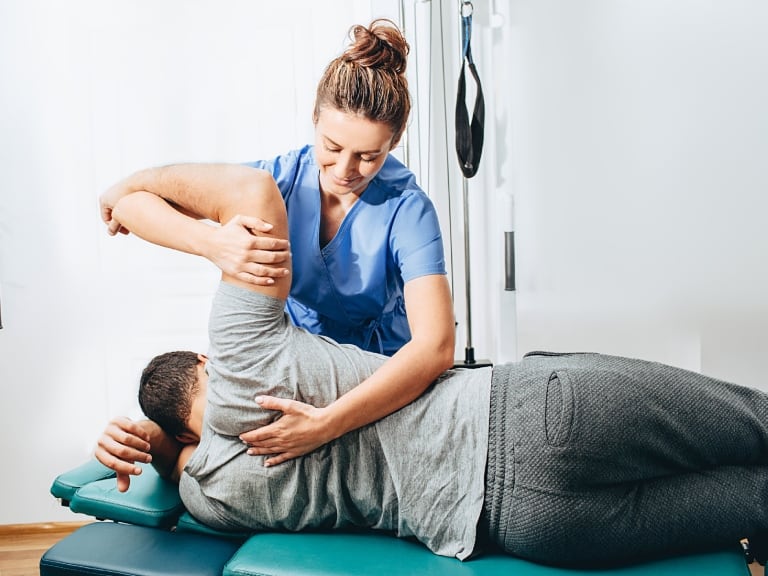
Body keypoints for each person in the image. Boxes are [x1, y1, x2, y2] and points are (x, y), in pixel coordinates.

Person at [97, 174, 768, 569]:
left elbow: (173, 464)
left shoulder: (209, 494)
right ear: (208, 359)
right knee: (756, 424)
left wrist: (151, 442)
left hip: (532, 526)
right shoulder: (243, 352)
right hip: (529, 418)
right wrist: (132, 192)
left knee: (756, 501)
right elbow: (249, 190)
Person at [97, 19, 456, 468]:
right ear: (314, 118)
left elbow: (438, 346)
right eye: (332, 145)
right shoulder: (279, 181)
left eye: (368, 156)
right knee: (230, 445)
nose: (345, 168)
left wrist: (327, 423)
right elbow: (132, 206)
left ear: (394, 143)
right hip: (293, 364)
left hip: (375, 376)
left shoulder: (408, 209)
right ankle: (146, 438)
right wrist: (212, 244)